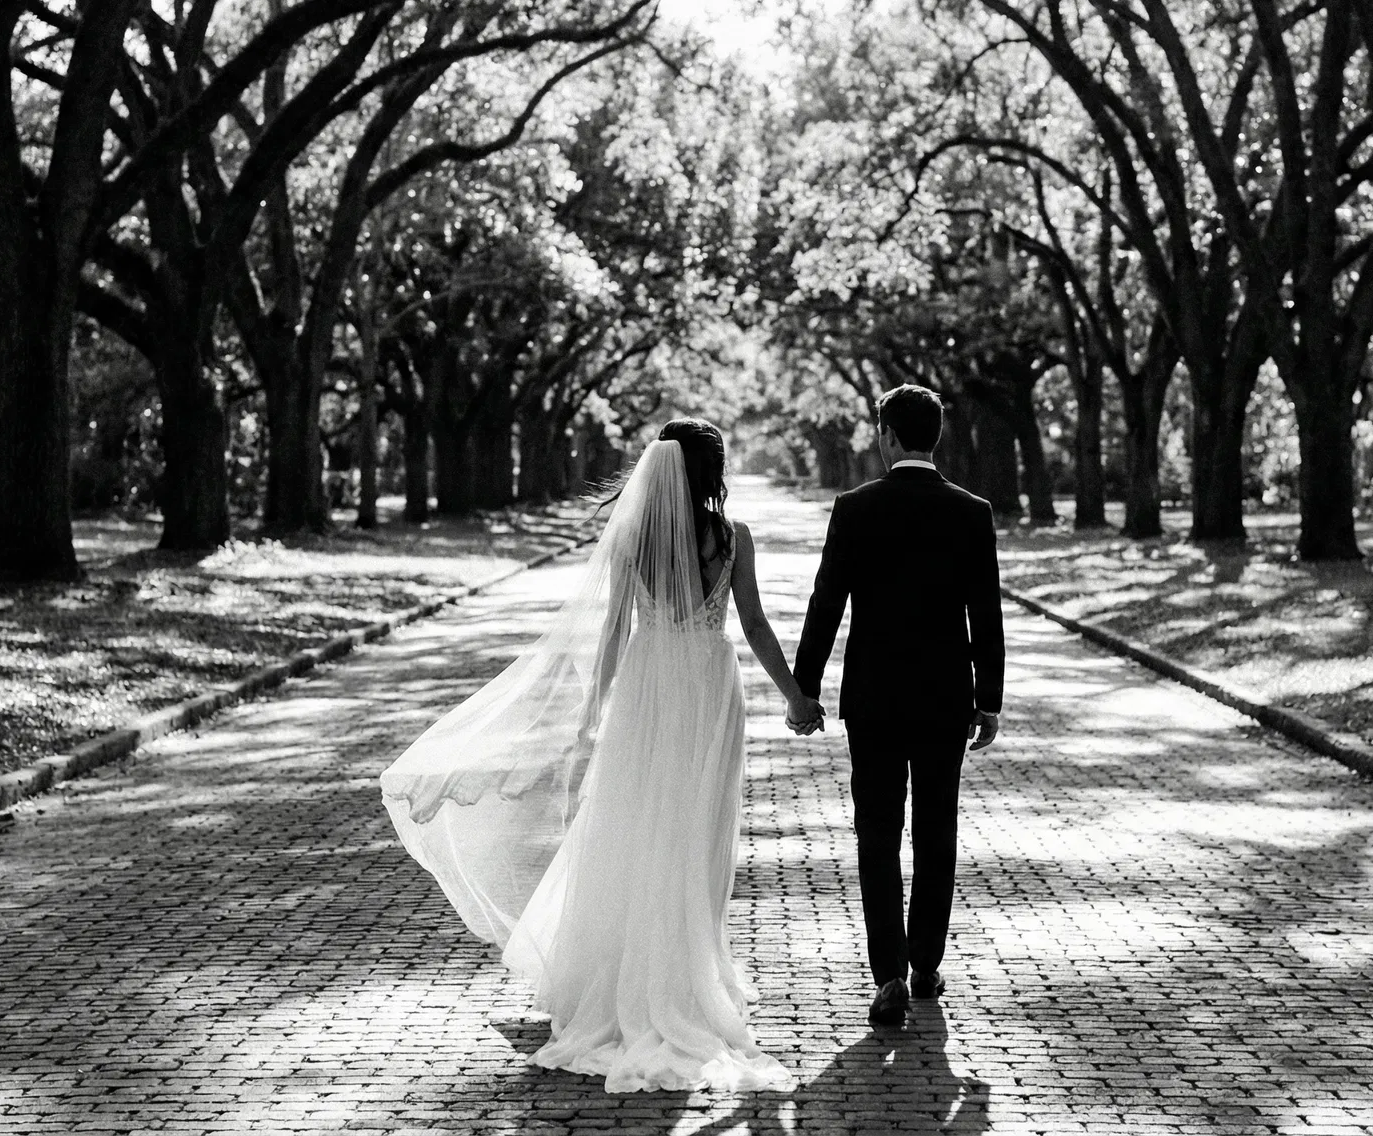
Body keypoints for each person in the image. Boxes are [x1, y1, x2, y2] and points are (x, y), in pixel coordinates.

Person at [380, 418, 819, 1093]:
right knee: (698, 827)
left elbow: (614, 631)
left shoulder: (633, 539)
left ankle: (637, 970)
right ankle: (687, 969)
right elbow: (755, 626)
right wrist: (796, 698)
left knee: (635, 824)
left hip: (648, 687)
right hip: (707, 683)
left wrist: (591, 719)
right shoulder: (734, 540)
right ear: (711, 471)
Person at [792, 384, 1004, 1027]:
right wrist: (988, 701)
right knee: (937, 832)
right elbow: (986, 618)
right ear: (934, 436)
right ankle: (925, 965)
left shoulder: (855, 508)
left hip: (875, 698)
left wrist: (805, 691)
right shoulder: (972, 511)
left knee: (877, 834)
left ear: (886, 435)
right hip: (946, 698)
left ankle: (886, 972)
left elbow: (826, 602)